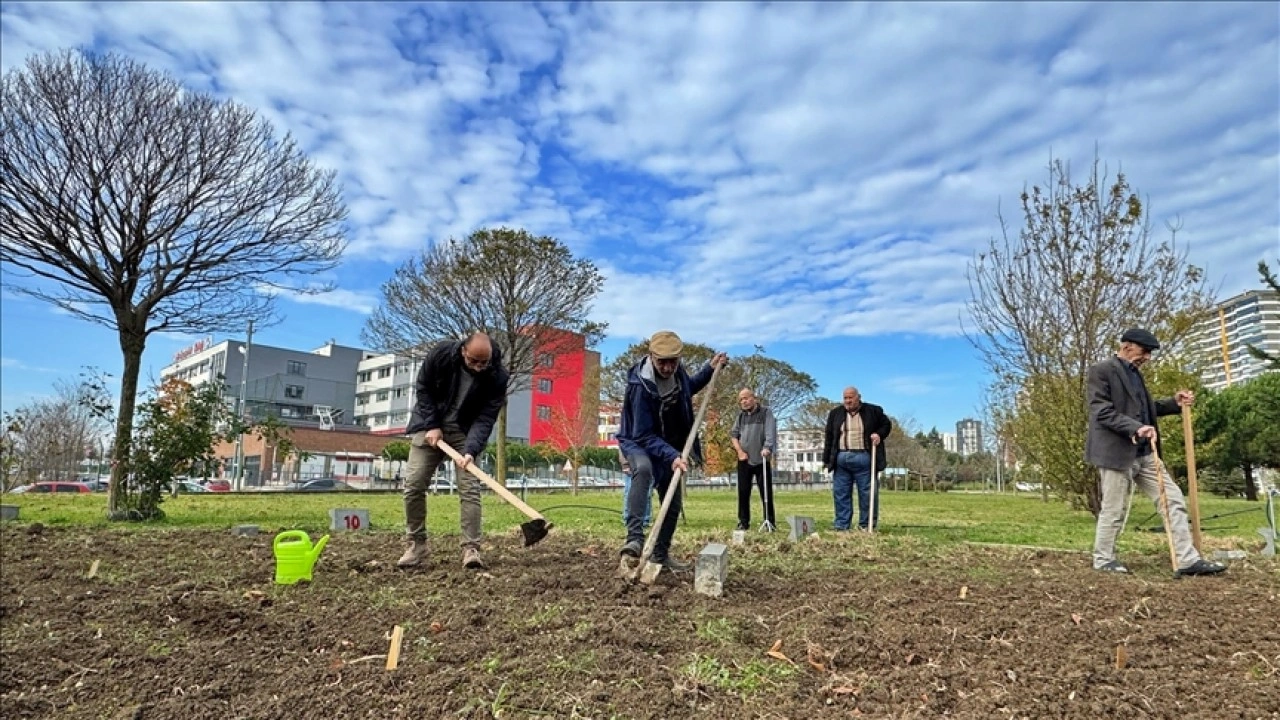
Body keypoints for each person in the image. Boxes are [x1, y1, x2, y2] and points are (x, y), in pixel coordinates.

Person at [1086, 328, 1226, 576]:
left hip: (1146, 454)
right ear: (1127, 346)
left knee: (1172, 501)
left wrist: (1175, 403)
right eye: (1145, 351)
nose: (1148, 357)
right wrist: (1136, 428)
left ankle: (1187, 560)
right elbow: (1102, 411)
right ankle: (1103, 559)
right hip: (1116, 454)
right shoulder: (1102, 370)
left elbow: (1145, 409)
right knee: (1114, 509)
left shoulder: (1136, 375)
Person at [617, 330, 728, 572]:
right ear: (651, 356)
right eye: (662, 362)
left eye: (673, 362)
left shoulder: (678, 373)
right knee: (644, 470)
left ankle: (659, 554)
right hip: (638, 440)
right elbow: (643, 434)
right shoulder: (639, 386)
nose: (668, 367)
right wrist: (672, 456)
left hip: (670, 443)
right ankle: (634, 539)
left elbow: (689, 388)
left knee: (673, 499)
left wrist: (710, 369)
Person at [398, 332, 509, 570]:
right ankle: (416, 545)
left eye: (484, 363)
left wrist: (471, 449)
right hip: (430, 426)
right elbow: (423, 389)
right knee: (414, 485)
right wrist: (432, 425)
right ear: (463, 352)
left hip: (464, 432)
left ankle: (471, 548)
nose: (479, 368)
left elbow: (486, 417)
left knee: (470, 489)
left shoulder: (498, 376)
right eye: (473, 362)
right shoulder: (441, 355)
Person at [821, 387, 892, 531]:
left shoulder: (874, 411)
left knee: (867, 494)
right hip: (841, 458)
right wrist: (826, 460)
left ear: (858, 397)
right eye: (845, 398)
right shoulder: (835, 413)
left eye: (850, 398)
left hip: (864, 458)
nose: (848, 401)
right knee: (841, 493)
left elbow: (886, 425)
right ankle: (842, 525)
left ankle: (866, 525)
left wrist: (878, 434)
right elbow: (829, 437)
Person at [730, 388, 778, 531]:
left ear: (754, 398)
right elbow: (734, 436)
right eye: (741, 400)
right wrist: (739, 451)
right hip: (744, 459)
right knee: (743, 492)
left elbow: (770, 432)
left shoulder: (766, 413)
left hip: (761, 459)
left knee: (766, 492)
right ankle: (743, 522)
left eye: (746, 398)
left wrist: (768, 447)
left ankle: (769, 521)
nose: (743, 401)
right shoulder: (740, 416)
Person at [619, 445, 652, 529]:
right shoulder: (627, 433)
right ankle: (628, 519)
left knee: (646, 494)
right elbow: (623, 446)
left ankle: (644, 520)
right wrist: (625, 464)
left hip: (647, 466)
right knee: (629, 493)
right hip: (631, 466)